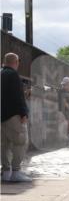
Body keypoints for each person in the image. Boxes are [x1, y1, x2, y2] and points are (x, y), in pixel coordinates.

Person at [1, 53, 30, 182]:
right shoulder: (13, 75)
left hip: (1, 116)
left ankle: (6, 172)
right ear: (16, 62)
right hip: (13, 115)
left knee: (4, 144)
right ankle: (16, 171)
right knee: (20, 141)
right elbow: (17, 96)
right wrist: (23, 113)